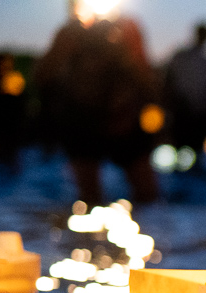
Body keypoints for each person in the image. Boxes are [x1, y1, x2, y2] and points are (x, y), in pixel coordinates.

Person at [35, 0, 160, 206]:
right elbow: (42, 76)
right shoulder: (70, 33)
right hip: (83, 121)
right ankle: (90, 236)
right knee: (89, 199)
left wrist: (128, 45)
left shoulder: (127, 28)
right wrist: (67, 42)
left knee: (148, 196)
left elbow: (146, 77)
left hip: (124, 119)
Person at [164, 22, 206, 159]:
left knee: (195, 150)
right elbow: (169, 81)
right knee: (182, 148)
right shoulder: (182, 57)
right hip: (182, 112)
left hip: (199, 115)